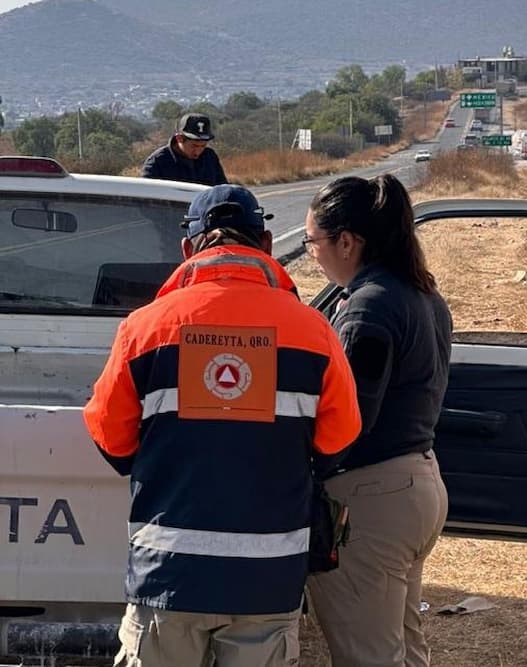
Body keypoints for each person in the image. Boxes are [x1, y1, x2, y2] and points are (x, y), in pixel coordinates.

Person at [82, 184, 362, 667]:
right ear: (268, 244)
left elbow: (110, 434)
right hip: (268, 577)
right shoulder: (314, 331)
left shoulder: (144, 327)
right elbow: (339, 438)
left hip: (168, 574)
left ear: (189, 249)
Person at [304, 174, 452, 667]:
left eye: (313, 242)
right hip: (417, 485)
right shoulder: (422, 295)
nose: (313, 254)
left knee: (367, 655)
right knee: (403, 650)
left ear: (347, 242)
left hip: (372, 501)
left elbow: (349, 422)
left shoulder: (367, 308)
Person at [140, 113, 228, 185]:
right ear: (179, 139)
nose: (198, 152)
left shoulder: (210, 157)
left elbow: (221, 189)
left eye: (203, 146)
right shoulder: (157, 162)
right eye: (194, 146)